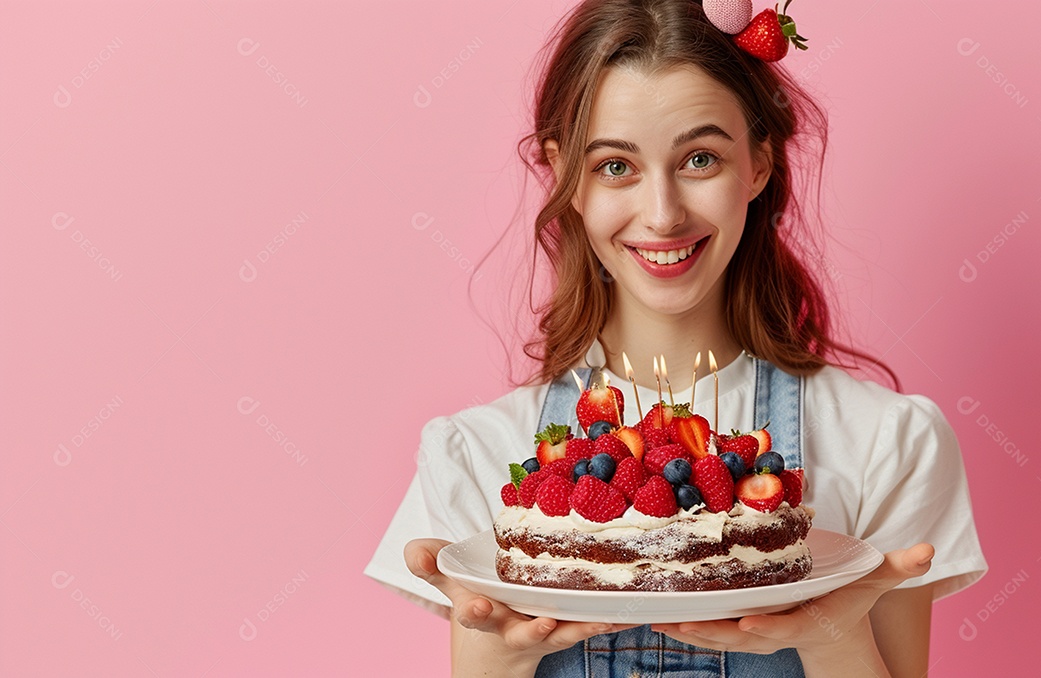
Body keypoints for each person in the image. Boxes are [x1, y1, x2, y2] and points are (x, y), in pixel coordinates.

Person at [364, 0, 987, 675]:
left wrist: (834, 638)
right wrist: (499, 649)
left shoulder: (886, 443)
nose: (662, 215)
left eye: (699, 158)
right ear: (566, 174)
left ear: (758, 163)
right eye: (615, 165)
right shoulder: (474, 453)